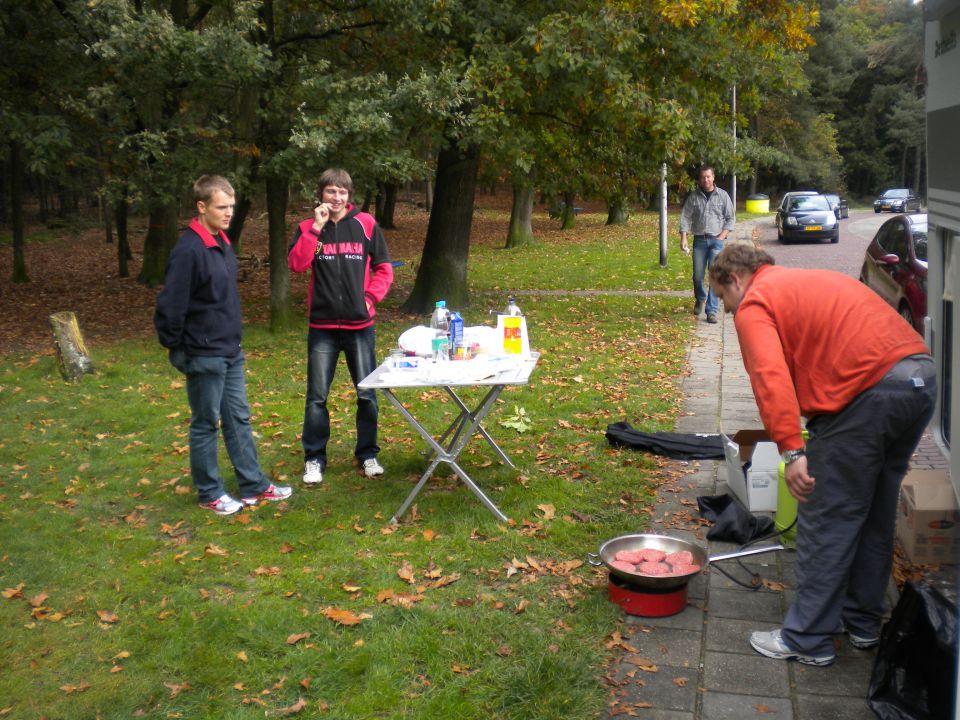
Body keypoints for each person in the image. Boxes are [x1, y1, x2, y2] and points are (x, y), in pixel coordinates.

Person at [708, 243, 935, 667]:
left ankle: (808, 638)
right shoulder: (805, 281)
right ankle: (863, 623)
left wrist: (792, 449)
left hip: (867, 396)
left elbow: (769, 378)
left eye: (723, 297)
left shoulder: (756, 301)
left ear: (735, 279)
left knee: (827, 518)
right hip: (918, 379)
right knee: (873, 513)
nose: (725, 309)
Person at [154, 175, 292, 516]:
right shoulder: (188, 250)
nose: (229, 212)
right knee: (205, 424)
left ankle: (253, 485)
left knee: (239, 419)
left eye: (231, 206)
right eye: (222, 207)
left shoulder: (222, 242)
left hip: (231, 350)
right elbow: (171, 306)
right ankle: (210, 492)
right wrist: (179, 349)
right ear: (202, 207)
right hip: (203, 354)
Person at [288, 168, 394, 485]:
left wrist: (370, 298)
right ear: (321, 193)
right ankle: (314, 459)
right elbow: (297, 265)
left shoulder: (366, 224)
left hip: (359, 326)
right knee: (317, 397)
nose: (336, 198)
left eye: (342, 192)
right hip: (322, 326)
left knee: (367, 395)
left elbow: (384, 268)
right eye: (331, 191)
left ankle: (367, 455)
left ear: (350, 195)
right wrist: (316, 228)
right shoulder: (307, 227)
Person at [679, 165, 735, 324]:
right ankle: (700, 298)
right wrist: (683, 238)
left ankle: (712, 311)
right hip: (699, 241)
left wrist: (721, 236)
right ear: (699, 180)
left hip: (716, 242)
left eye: (708, 176)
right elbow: (685, 218)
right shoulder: (693, 197)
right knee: (697, 276)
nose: (706, 180)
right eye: (703, 177)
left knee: (714, 276)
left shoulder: (723, 196)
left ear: (713, 177)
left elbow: (731, 218)